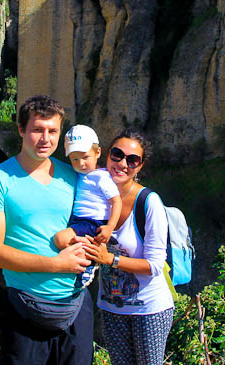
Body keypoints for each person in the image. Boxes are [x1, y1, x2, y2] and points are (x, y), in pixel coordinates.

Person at [0, 95, 94, 365]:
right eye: (37, 130)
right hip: (26, 307)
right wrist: (56, 264)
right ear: (21, 129)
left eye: (53, 131)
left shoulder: (75, 176)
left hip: (76, 306)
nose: (45, 139)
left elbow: (97, 218)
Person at [82, 129, 174, 365]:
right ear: (106, 156)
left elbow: (154, 265)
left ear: (140, 166)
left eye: (132, 160)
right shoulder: (94, 193)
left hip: (150, 309)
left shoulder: (149, 203)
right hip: (111, 307)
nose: (122, 163)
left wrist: (110, 259)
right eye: (117, 155)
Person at [53, 125, 122, 288]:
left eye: (85, 157)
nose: (81, 164)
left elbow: (116, 201)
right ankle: (84, 264)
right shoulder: (79, 174)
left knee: (60, 239)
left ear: (97, 153)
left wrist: (109, 227)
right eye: (74, 159)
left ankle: (89, 262)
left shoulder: (102, 177)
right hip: (79, 220)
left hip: (93, 222)